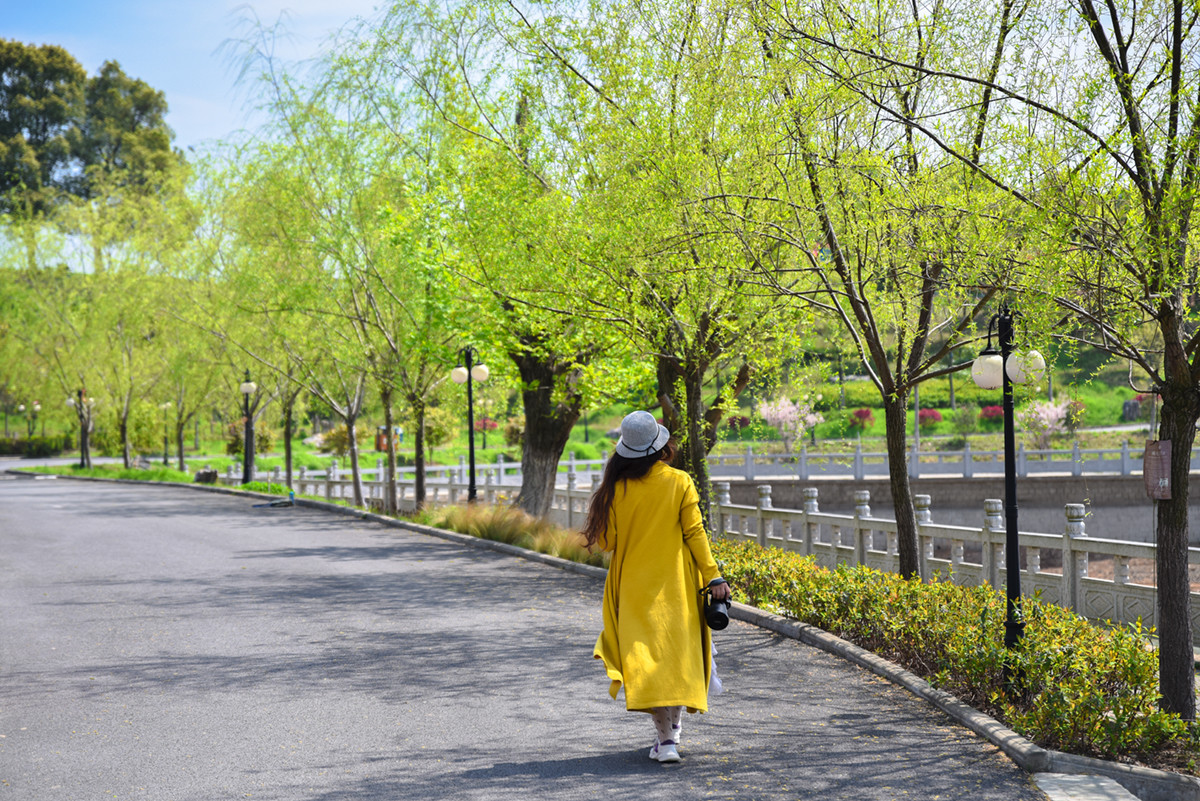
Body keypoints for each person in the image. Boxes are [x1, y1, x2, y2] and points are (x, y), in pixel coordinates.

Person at [582, 410, 731, 764]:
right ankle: (671, 734)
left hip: (633, 584)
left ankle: (666, 739)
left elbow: (607, 542)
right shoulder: (680, 481)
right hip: (677, 582)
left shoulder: (616, 489)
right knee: (676, 654)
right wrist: (714, 576)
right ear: (661, 446)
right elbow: (695, 533)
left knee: (646, 659)